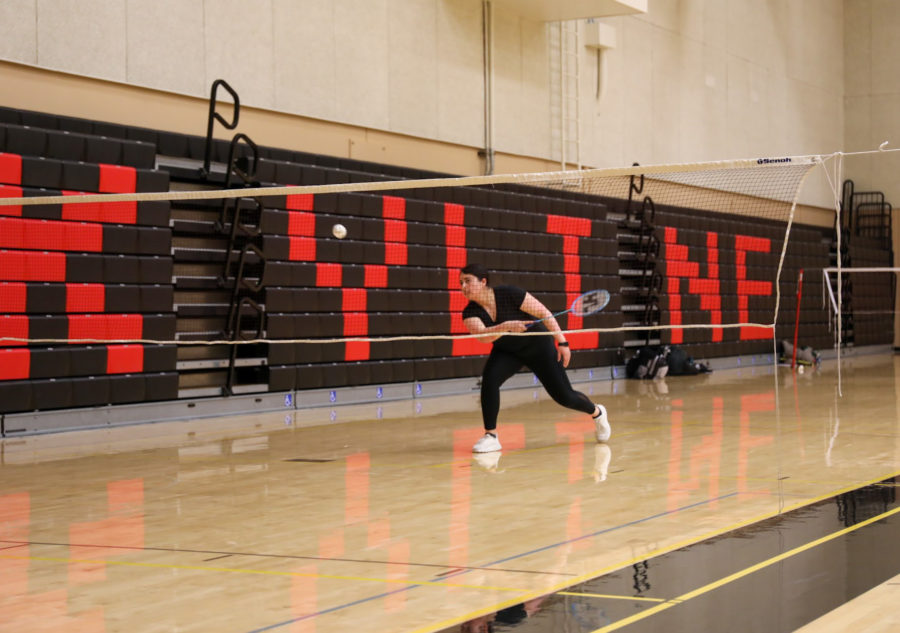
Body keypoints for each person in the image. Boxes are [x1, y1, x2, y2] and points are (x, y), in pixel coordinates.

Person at [459, 264, 610, 453]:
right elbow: (483, 336)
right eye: (461, 283)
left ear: (483, 282)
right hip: (507, 351)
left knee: (565, 397)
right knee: (490, 380)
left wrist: (562, 343)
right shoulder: (470, 312)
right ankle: (491, 435)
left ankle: (597, 413)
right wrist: (506, 326)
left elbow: (543, 313)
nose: (463, 287)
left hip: (538, 346)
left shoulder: (509, 293)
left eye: (467, 281)